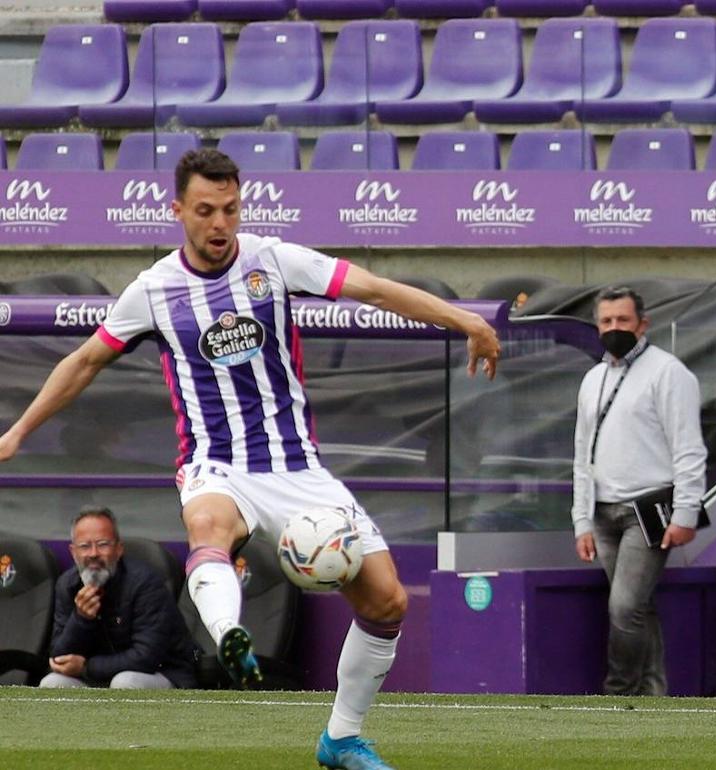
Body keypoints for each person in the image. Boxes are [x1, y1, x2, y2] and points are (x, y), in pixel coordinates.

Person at [0, 149, 500, 770]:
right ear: (178, 209)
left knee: (388, 602)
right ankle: (228, 632)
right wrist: (17, 431)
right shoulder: (154, 290)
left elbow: (373, 288)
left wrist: (465, 320)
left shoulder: (274, 261)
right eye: (205, 210)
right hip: (216, 463)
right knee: (208, 524)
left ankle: (340, 739)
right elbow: (84, 362)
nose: (219, 224)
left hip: (298, 467)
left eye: (230, 210)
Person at [571, 287, 707, 696]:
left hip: (646, 511)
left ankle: (619, 691)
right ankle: (653, 694)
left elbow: (688, 447)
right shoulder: (593, 378)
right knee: (637, 607)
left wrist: (685, 513)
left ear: (642, 324)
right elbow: (582, 452)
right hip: (602, 511)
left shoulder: (669, 373)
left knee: (624, 607)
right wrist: (581, 519)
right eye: (606, 321)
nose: (614, 328)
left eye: (623, 321)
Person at [40, 505, 197, 690]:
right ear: (73, 552)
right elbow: (59, 658)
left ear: (119, 549)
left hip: (161, 673)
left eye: (103, 544)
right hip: (97, 677)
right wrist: (81, 619)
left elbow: (146, 656)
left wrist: (86, 667)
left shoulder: (145, 583)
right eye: (84, 546)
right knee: (52, 683)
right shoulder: (67, 585)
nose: (93, 554)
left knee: (124, 682)